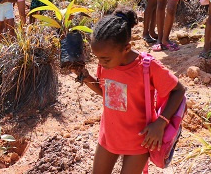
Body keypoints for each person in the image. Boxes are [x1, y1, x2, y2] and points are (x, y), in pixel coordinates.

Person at [78, 10, 186, 174]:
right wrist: (85, 77)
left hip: (139, 141)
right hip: (109, 136)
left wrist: (161, 122)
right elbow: (108, 93)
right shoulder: (107, 62)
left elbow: (179, 90)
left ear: (126, 48)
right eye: (97, 58)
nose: (100, 63)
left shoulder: (147, 67)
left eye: (104, 59)